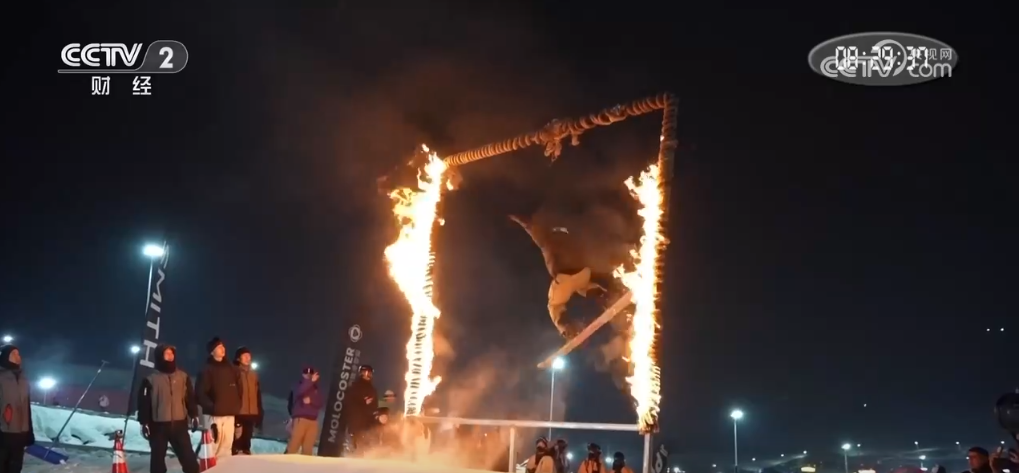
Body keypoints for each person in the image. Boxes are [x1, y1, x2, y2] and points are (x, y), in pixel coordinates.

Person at [509, 197, 635, 339]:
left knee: (555, 305)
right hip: (583, 273)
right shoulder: (571, 231)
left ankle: (566, 327)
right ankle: (605, 295)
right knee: (584, 287)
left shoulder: (546, 236)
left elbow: (529, 226)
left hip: (565, 277)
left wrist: (516, 217)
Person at [138, 344, 200, 473]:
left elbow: (190, 398)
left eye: (172, 353)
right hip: (158, 426)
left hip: (179, 425)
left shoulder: (183, 377)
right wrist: (144, 422)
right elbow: (144, 402)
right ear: (160, 356)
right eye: (167, 353)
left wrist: (194, 415)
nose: (170, 356)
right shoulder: (150, 379)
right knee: (157, 462)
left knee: (189, 458)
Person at [195, 337, 242, 458]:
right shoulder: (207, 369)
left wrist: (237, 405)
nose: (223, 349)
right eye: (219, 347)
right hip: (214, 415)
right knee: (213, 444)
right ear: (212, 351)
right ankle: (208, 466)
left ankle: (225, 467)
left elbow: (239, 389)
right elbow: (200, 392)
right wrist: (212, 407)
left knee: (227, 445)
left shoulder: (232, 369)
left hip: (230, 412)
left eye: (223, 346)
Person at [0, 344, 33, 473]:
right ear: (5, 357)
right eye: (13, 353)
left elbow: (27, 407)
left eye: (18, 354)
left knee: (15, 467)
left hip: (20, 434)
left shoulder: (23, 379)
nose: (18, 356)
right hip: (3, 432)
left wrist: (29, 432)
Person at [232, 346, 263, 455]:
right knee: (237, 434)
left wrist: (259, 410)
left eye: (249, 356)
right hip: (239, 410)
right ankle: (235, 449)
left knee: (248, 433)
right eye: (244, 356)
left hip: (252, 410)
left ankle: (246, 449)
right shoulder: (234, 371)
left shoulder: (253, 374)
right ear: (238, 358)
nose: (247, 358)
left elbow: (257, 393)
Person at [286, 367, 323, 455]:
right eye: (306, 374)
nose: (308, 376)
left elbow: (320, 402)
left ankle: (305, 463)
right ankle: (286, 460)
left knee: (308, 447)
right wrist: (311, 382)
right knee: (294, 444)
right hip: (301, 419)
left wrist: (311, 401)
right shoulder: (298, 385)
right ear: (303, 375)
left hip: (313, 420)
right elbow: (299, 392)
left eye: (310, 374)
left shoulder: (315, 388)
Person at [342, 365, 379, 453]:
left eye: (369, 373)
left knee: (365, 447)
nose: (367, 375)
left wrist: (374, 416)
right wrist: (363, 402)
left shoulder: (373, 390)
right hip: (355, 422)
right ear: (360, 373)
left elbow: (375, 406)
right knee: (353, 446)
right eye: (365, 372)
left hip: (367, 424)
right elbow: (348, 402)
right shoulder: (354, 387)